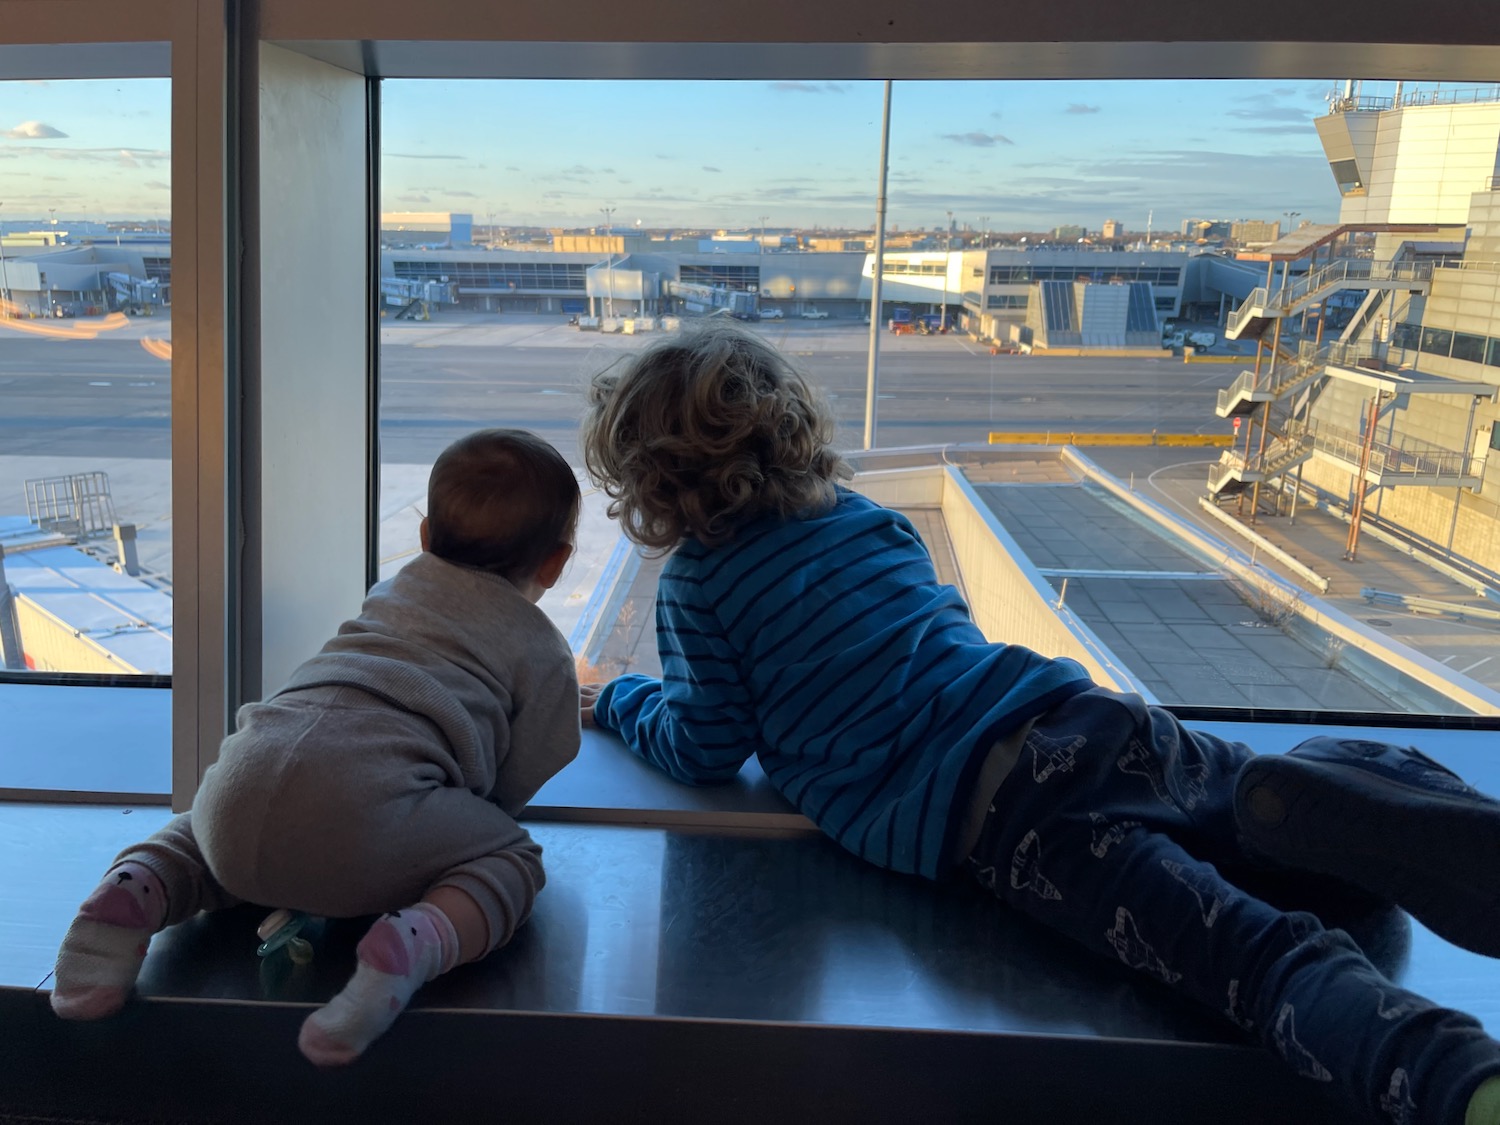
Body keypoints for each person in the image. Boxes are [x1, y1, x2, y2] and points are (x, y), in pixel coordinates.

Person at [577, 320, 1500, 1125]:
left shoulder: (702, 584)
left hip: (1015, 822)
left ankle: (1459, 1081)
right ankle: (1326, 796)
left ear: (653, 482)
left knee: (1251, 962)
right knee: (1247, 798)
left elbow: (703, 743)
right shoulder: (865, 519)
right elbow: (942, 629)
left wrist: (618, 699)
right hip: (1074, 713)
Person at [52, 428, 583, 1067]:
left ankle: (131, 893)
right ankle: (417, 945)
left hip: (246, 770)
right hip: (368, 827)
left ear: (422, 536)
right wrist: (460, 818)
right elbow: (522, 774)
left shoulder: (395, 589)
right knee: (511, 859)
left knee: (199, 835)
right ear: (555, 563)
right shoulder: (543, 647)